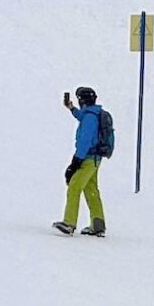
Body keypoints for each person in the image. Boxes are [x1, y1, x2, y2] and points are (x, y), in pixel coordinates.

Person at [53, 86, 108, 237]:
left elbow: (85, 142)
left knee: (74, 186)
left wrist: (75, 162)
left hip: (88, 159)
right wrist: (72, 109)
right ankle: (98, 224)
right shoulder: (93, 113)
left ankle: (69, 223)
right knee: (91, 189)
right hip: (95, 159)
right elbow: (82, 116)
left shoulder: (90, 118)